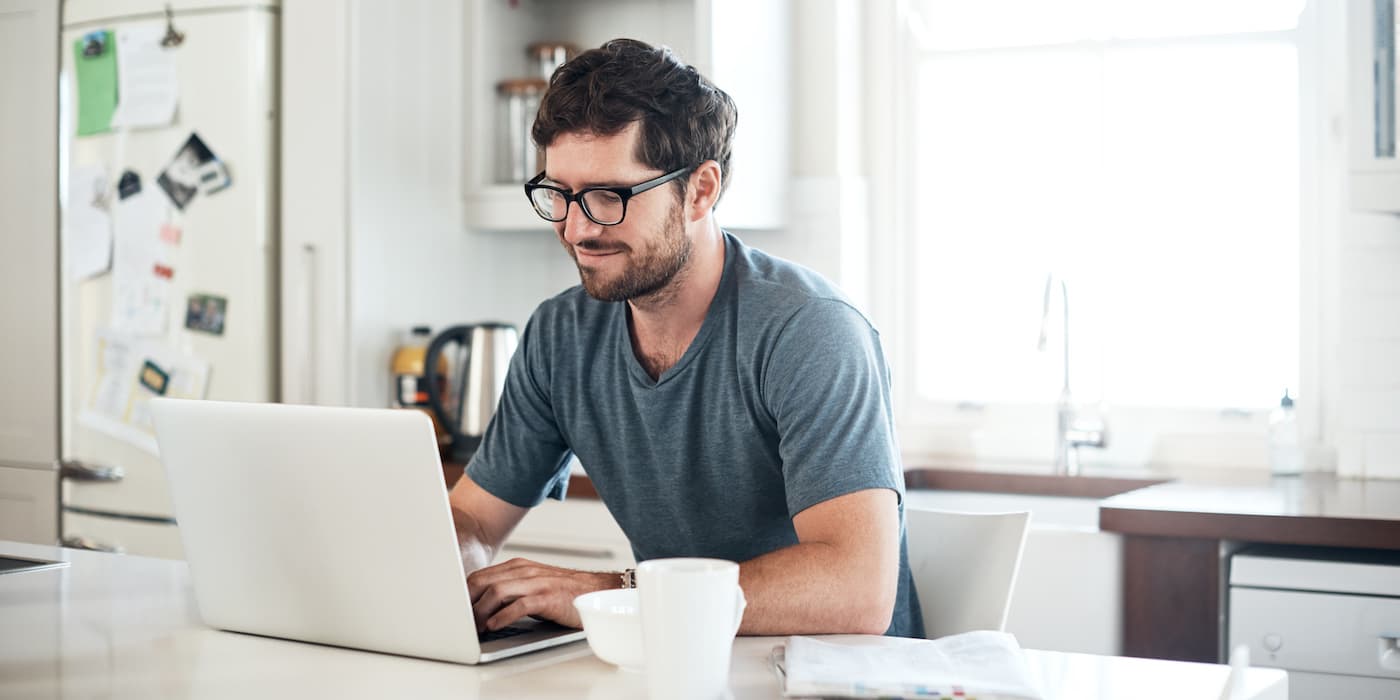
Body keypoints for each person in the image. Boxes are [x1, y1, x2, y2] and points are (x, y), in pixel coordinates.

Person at [450, 38, 922, 638]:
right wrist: (457, 579)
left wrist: (607, 592)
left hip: (830, 677)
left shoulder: (810, 331)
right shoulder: (559, 335)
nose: (575, 229)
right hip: (679, 661)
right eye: (561, 195)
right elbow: (470, 517)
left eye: (607, 196)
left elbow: (854, 590)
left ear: (701, 190)